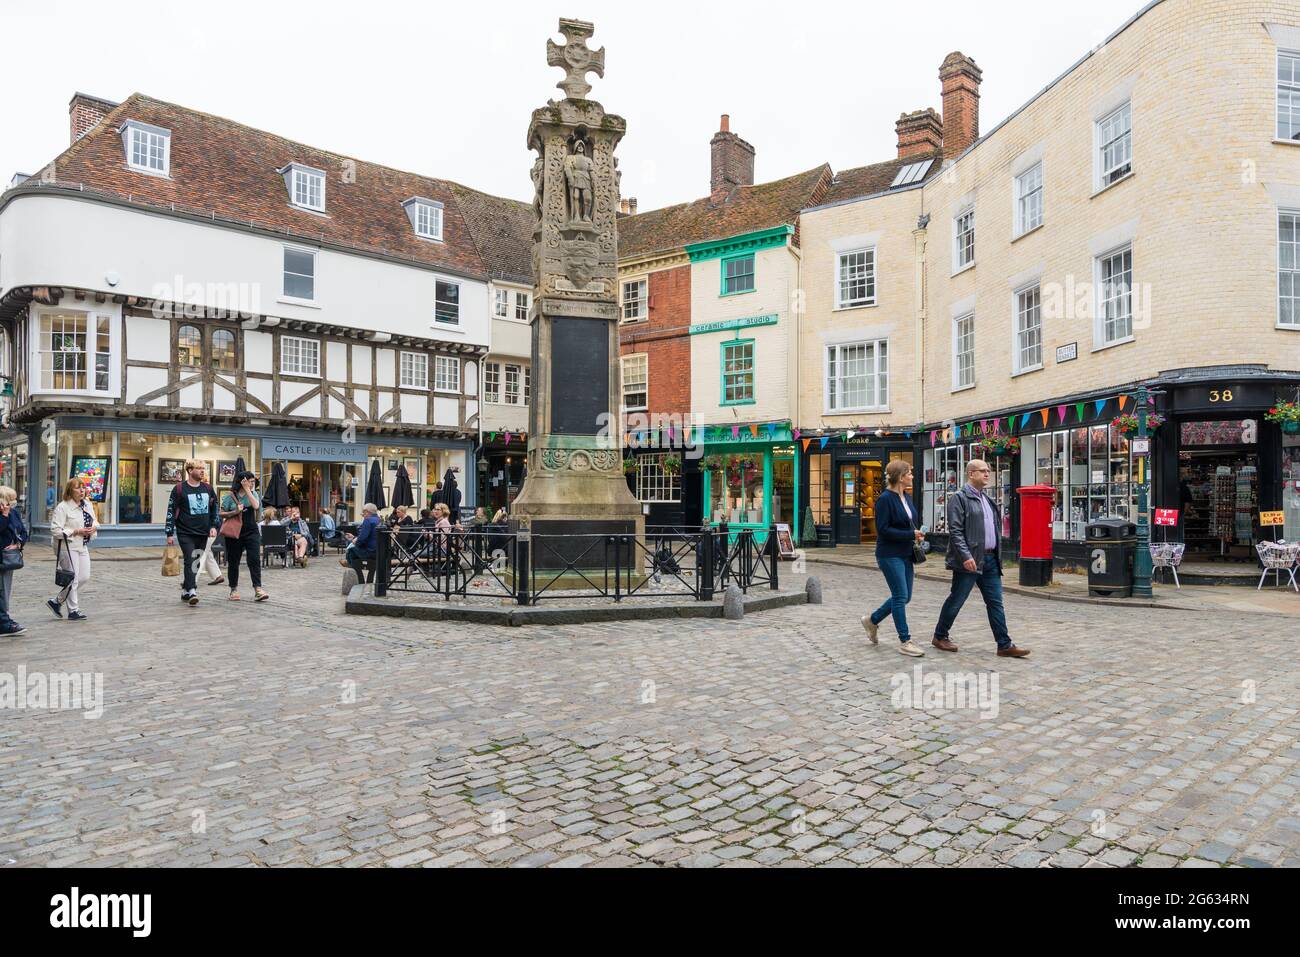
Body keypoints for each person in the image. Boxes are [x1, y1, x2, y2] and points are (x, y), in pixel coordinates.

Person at [931, 459, 1030, 658]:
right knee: (957, 599)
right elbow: (956, 531)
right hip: (969, 561)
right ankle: (940, 636)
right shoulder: (959, 498)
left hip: (991, 560)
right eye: (983, 471)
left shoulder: (988, 499)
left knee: (995, 602)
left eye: (988, 470)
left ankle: (1004, 644)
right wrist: (966, 556)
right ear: (971, 474)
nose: (987, 474)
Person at [862, 459, 926, 656]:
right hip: (889, 555)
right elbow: (883, 530)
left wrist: (916, 534)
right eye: (909, 473)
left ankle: (872, 620)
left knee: (905, 597)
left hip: (906, 553)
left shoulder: (906, 497)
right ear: (900, 476)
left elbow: (908, 523)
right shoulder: (884, 500)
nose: (912, 476)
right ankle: (905, 641)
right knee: (900, 596)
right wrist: (910, 535)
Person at [165, 459, 219, 607]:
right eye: (199, 468)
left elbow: (215, 507)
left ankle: (185, 590)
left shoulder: (208, 488)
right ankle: (192, 590)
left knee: (196, 561)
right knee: (190, 559)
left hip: (203, 532)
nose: (202, 471)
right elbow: (171, 510)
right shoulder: (179, 489)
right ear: (190, 470)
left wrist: (214, 525)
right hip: (185, 532)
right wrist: (169, 533)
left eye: (203, 468)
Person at [48, 476, 97, 621]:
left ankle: (56, 601)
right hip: (67, 546)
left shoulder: (87, 504)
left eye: (83, 487)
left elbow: (94, 520)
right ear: (70, 491)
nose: (81, 490)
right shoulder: (63, 507)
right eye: (77, 487)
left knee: (84, 577)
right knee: (73, 579)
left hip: (82, 544)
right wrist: (76, 531)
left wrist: (93, 528)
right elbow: (56, 530)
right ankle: (73, 611)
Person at [220, 471, 268, 602]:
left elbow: (256, 506)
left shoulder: (253, 494)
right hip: (235, 533)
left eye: (253, 482)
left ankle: (258, 589)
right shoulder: (230, 496)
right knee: (234, 561)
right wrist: (234, 511)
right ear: (242, 481)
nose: (253, 484)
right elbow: (221, 513)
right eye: (250, 481)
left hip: (251, 531)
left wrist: (248, 489)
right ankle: (233, 589)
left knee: (254, 559)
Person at [0, 485, 29, 636]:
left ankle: (4, 620)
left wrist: (18, 544)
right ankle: (4, 622)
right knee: (2, 591)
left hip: (10, 558)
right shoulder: (3, 514)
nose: (14, 502)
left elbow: (23, 532)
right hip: (1, 556)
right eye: (11, 499)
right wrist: (4, 515)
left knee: (5, 590)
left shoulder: (15, 513)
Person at [341, 502, 380, 582]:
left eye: (363, 512)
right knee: (355, 552)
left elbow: (362, 539)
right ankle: (369, 579)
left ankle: (360, 580)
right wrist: (354, 537)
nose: (363, 514)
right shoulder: (379, 520)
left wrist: (354, 542)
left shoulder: (368, 520)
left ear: (367, 512)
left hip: (370, 552)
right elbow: (369, 537)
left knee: (351, 552)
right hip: (378, 552)